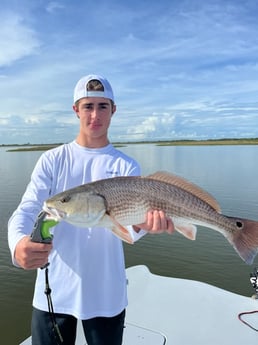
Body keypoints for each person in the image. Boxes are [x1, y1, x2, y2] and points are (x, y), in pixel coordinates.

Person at [8, 74, 174, 345]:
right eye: (88, 106)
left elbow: (129, 229)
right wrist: (17, 245)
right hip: (54, 292)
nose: (95, 115)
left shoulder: (126, 167)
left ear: (113, 110)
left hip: (106, 295)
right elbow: (27, 209)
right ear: (76, 110)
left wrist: (145, 226)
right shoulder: (52, 160)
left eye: (103, 106)